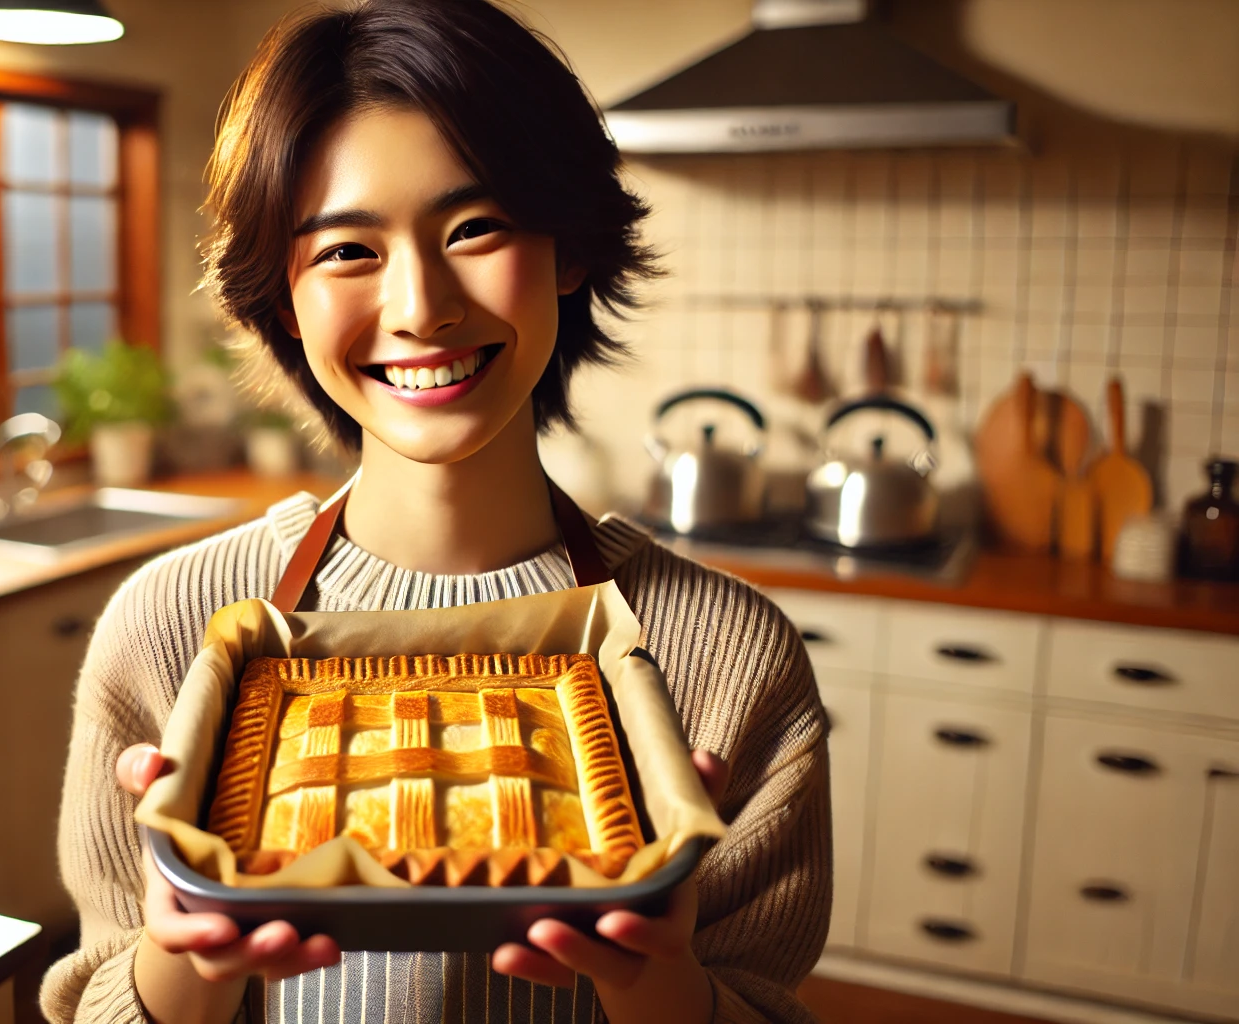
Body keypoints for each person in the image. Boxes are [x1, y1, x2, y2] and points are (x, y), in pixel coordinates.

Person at [41, 1, 831, 1021]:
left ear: (569, 249)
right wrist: (185, 951)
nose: (419, 305)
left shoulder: (725, 658)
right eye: (343, 251)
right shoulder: (169, 628)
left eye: (475, 228)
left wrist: (660, 982)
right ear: (283, 299)